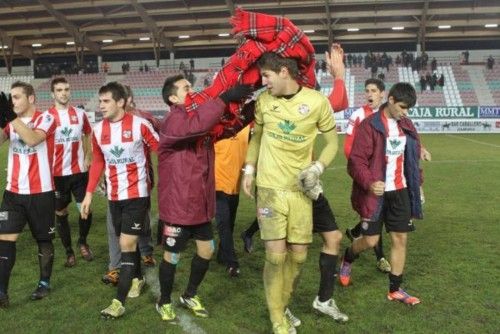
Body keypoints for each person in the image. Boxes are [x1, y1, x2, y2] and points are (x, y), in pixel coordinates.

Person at [240, 44, 350, 327]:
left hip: (301, 190)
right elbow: (256, 137)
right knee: (276, 257)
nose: (263, 83)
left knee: (299, 257)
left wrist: (317, 167)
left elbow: (332, 143)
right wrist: (249, 170)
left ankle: (282, 305)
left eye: (266, 76)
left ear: (284, 71)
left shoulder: (316, 102)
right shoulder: (264, 102)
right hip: (270, 189)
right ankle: (278, 319)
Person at [155, 75, 254, 323]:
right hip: (178, 205)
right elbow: (197, 127)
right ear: (173, 98)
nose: (193, 91)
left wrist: (251, 109)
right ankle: (164, 300)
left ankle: (189, 294)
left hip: (199, 203)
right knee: (172, 256)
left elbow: (225, 129)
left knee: (207, 250)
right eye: (187, 88)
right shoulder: (173, 120)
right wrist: (222, 98)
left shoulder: (197, 119)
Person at [339, 82, 423, 306]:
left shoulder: (406, 124)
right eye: (403, 107)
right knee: (370, 240)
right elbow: (355, 162)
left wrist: (419, 184)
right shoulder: (369, 126)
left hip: (400, 190)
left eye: (408, 110)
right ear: (392, 100)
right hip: (374, 194)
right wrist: (369, 182)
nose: (405, 113)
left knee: (400, 238)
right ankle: (348, 257)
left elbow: (412, 158)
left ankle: (395, 289)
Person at [80, 82, 159, 318]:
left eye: (106, 101)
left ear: (121, 102)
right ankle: (138, 277)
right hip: (114, 196)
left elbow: (161, 150)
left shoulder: (140, 125)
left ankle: (118, 302)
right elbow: (97, 162)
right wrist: (89, 193)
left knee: (126, 244)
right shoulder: (97, 130)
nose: (100, 105)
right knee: (128, 242)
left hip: (137, 195)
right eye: (100, 101)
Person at [0, 82, 58, 307]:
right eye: (10, 98)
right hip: (13, 193)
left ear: (31, 98)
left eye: (17, 97)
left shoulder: (46, 118)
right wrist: (2, 120)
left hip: (41, 192)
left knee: (43, 240)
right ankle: (2, 292)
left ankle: (44, 283)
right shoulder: (10, 123)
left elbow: (33, 139)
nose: (12, 102)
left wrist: (9, 117)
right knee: (4, 239)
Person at [101, 84, 160, 286]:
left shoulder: (144, 120)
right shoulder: (105, 125)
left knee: (141, 222)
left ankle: (146, 252)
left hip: (141, 182)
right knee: (114, 227)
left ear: (125, 100)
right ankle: (116, 267)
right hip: (116, 184)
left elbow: (161, 143)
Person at [48, 77, 93, 268]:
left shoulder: (80, 114)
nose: (64, 93)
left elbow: (88, 133)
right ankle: (68, 251)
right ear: (53, 94)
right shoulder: (46, 117)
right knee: (61, 212)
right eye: (59, 90)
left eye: (66, 89)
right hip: (56, 174)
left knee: (86, 209)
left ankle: (82, 241)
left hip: (79, 172)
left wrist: (88, 155)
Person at [215, 125, 251, 277]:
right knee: (224, 224)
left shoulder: (246, 128)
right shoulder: (216, 127)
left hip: (234, 185)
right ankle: (232, 263)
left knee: (229, 224)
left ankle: (222, 255)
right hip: (216, 185)